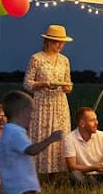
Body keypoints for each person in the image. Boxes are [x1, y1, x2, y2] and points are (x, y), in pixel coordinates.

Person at [23, 24, 74, 180]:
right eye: (57, 42)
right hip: (42, 103)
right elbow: (27, 83)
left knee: (60, 136)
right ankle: (35, 175)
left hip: (59, 103)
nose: (60, 45)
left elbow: (68, 82)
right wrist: (42, 84)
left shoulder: (64, 60)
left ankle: (55, 177)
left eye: (62, 42)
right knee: (41, 135)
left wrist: (67, 87)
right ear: (48, 41)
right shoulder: (36, 58)